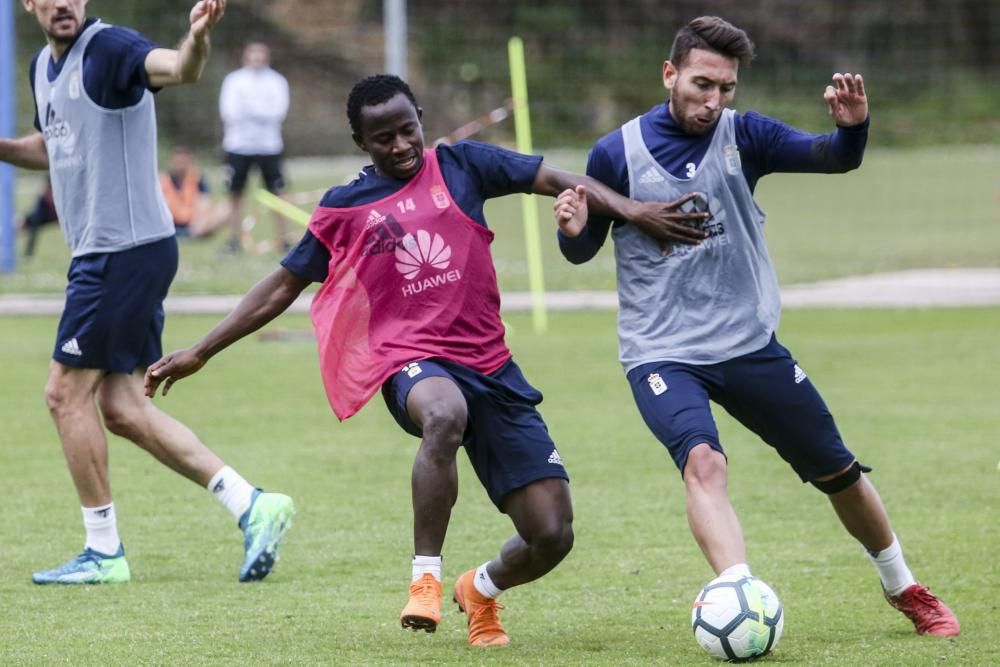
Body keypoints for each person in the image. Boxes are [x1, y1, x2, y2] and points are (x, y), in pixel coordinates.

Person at [144, 74, 707, 646]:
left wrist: (635, 211)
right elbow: (281, 287)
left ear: (420, 118)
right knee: (443, 413)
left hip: (492, 367)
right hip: (410, 363)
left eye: (407, 129)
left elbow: (561, 178)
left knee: (552, 534)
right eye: (382, 138)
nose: (400, 146)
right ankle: (425, 581)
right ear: (361, 142)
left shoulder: (464, 165)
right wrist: (200, 352)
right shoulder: (344, 206)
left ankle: (479, 589)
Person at [553, 15, 960, 638]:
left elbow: (833, 158)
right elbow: (584, 251)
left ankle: (903, 586)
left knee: (838, 471)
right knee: (704, 464)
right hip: (662, 353)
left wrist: (852, 129)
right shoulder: (615, 153)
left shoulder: (746, 137)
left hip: (748, 344)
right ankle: (740, 595)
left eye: (725, 88)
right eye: (700, 85)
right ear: (669, 74)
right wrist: (571, 229)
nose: (712, 101)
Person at [0, 0, 294, 585]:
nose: (63, 3)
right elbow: (50, 145)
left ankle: (104, 553)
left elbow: (179, 68)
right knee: (122, 407)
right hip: (113, 251)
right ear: (29, 3)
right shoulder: (41, 67)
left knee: (64, 394)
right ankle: (254, 505)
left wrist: (198, 39)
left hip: (122, 250)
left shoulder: (110, 50)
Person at [218, 41, 291, 254]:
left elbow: (278, 112)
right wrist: (260, 112)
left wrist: (251, 110)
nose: (257, 61)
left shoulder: (277, 81)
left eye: (261, 56)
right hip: (238, 146)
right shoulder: (234, 81)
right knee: (235, 193)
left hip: (269, 147)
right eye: (253, 56)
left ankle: (284, 240)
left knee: (277, 192)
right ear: (245, 57)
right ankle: (233, 240)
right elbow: (230, 113)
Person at [160, 145, 228, 238]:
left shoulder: (198, 179)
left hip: (195, 223)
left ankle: (197, 231)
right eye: (178, 161)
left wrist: (199, 220)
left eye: (183, 161)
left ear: (189, 161)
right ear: (172, 161)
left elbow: (204, 203)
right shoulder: (163, 180)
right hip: (171, 223)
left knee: (225, 207)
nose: (180, 164)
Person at [19, 176, 58, 257]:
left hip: (51, 215)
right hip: (42, 215)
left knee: (28, 222)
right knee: (26, 222)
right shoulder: (45, 192)